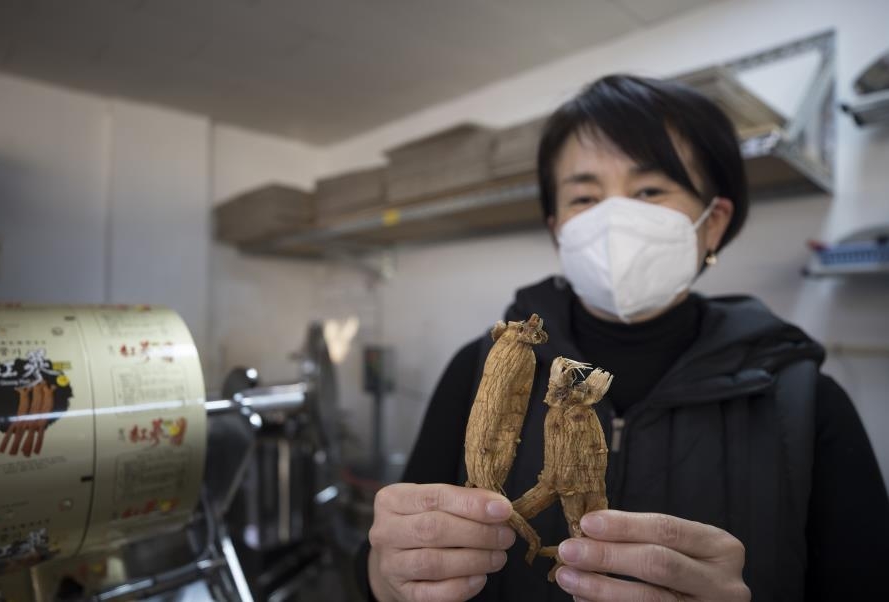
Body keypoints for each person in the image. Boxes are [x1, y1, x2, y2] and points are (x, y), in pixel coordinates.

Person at [356, 74, 889, 601]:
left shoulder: (802, 401)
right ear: (559, 229)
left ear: (713, 223)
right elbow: (395, 563)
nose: (614, 218)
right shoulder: (477, 369)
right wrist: (386, 576)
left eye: (650, 190)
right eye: (584, 196)